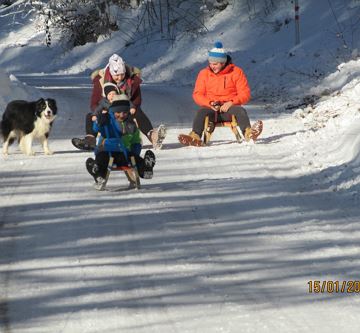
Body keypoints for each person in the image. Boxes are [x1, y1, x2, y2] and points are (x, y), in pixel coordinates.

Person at [72, 54, 166, 151]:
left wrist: (131, 108)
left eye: (122, 74)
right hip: (108, 112)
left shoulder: (132, 80)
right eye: (117, 75)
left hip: (126, 111)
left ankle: (153, 136)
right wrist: (102, 111)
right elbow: (94, 103)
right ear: (111, 73)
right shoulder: (100, 81)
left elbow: (137, 100)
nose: (120, 77)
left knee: (138, 111)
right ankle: (90, 140)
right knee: (90, 116)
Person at [178, 41, 262, 146]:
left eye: (215, 64)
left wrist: (231, 102)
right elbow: (197, 94)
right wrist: (210, 103)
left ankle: (249, 134)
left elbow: (245, 93)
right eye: (210, 63)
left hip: (230, 109)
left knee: (240, 111)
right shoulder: (204, 74)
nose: (212, 66)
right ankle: (195, 137)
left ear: (223, 63)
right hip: (211, 109)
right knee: (201, 113)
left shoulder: (236, 72)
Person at [86, 98, 156, 191]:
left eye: (125, 112)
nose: (121, 115)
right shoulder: (107, 121)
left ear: (128, 112)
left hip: (124, 154)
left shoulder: (131, 124)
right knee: (101, 160)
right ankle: (99, 174)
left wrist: (135, 153)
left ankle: (146, 170)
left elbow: (135, 142)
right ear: (113, 112)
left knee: (136, 159)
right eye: (118, 112)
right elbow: (96, 129)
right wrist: (99, 122)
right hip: (107, 151)